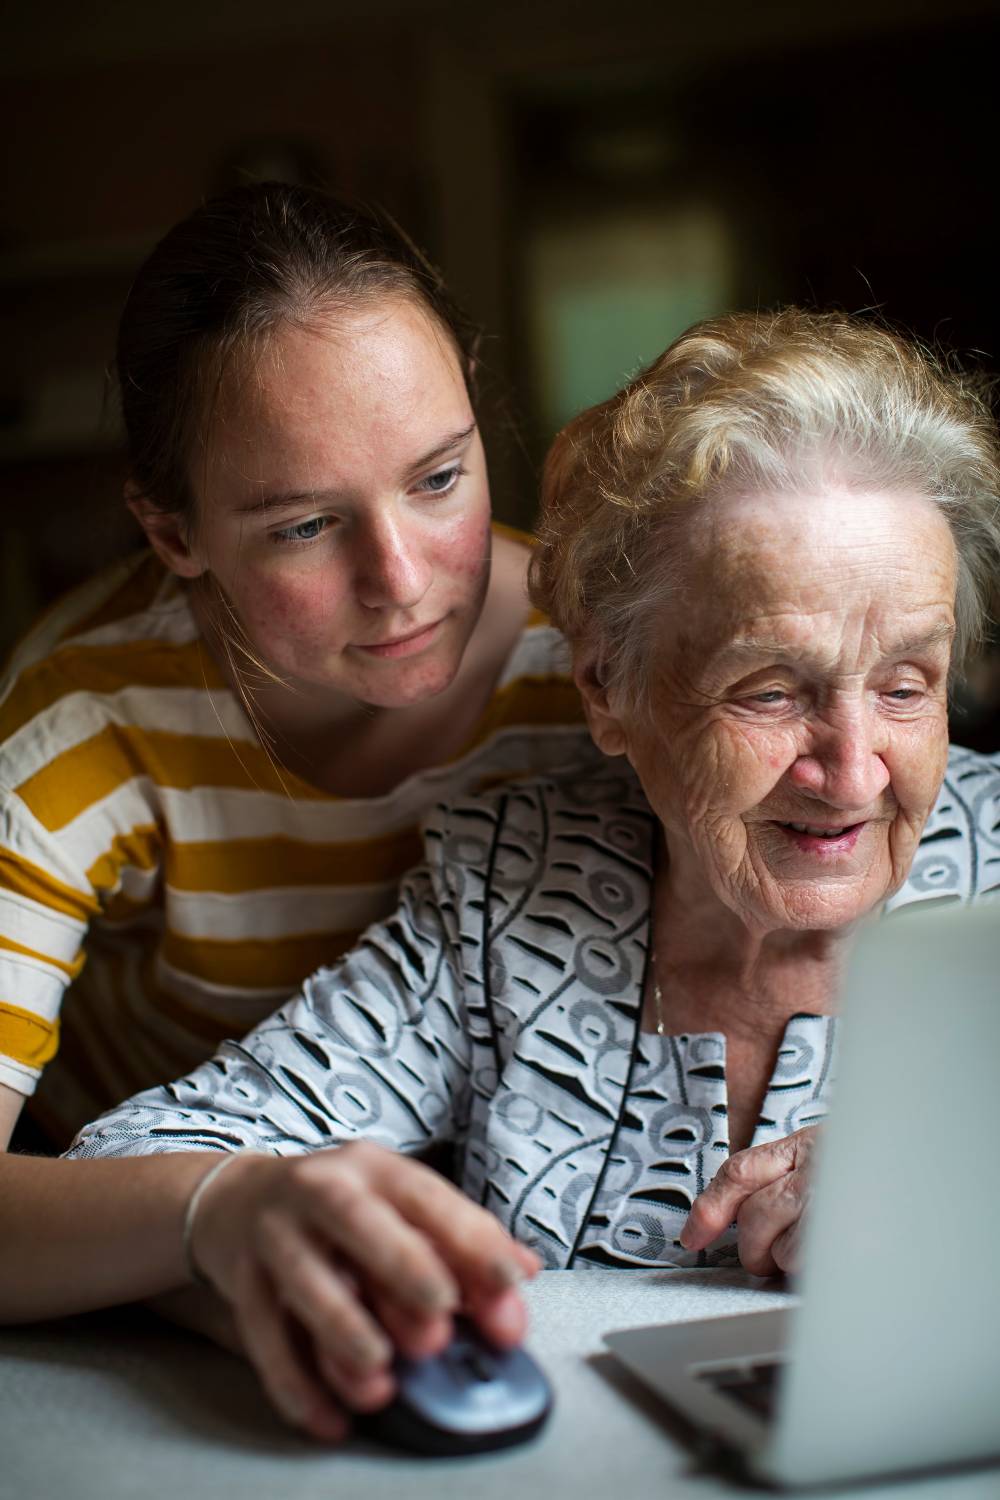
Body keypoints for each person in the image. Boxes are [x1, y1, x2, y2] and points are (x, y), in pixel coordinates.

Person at [5, 308, 1000, 1444]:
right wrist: (250, 1229)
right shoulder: (505, 899)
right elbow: (146, 1159)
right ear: (605, 691)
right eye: (769, 692)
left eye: (906, 685)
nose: (851, 768)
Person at [0, 180, 595, 1153]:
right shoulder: (84, 714)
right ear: (171, 530)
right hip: (131, 1238)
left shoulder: (605, 663)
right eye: (305, 526)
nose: (399, 580)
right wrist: (222, 1221)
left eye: (438, 478)